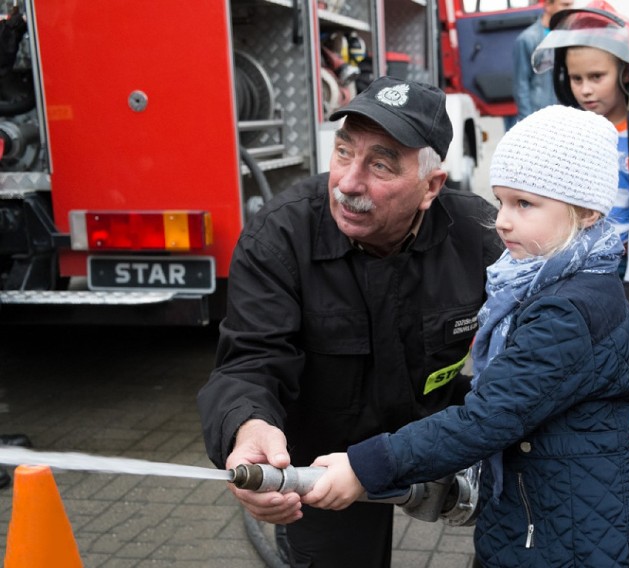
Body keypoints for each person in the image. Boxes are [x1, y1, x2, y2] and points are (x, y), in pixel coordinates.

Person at [304, 104, 629, 568]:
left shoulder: (568, 311)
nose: (503, 221)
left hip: (574, 540)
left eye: (525, 204)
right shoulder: (558, 282)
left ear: (587, 211)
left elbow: (488, 418)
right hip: (545, 517)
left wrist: (366, 466)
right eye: (501, 201)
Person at [196, 76, 504, 567]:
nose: (348, 182)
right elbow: (250, 359)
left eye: (380, 164)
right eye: (343, 153)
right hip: (323, 455)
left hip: (439, 434)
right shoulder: (281, 236)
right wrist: (246, 426)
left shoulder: (478, 237)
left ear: (431, 186)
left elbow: (544, 347)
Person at [531, 0, 629, 334]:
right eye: (576, 78)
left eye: (596, 76)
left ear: (626, 71)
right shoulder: (556, 135)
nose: (585, 89)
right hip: (564, 267)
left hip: (620, 266)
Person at [511, 0, 574, 123]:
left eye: (571, 5)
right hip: (539, 113)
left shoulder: (570, 36)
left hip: (566, 115)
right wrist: (527, 120)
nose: (569, 9)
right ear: (548, 5)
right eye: (565, 5)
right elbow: (521, 84)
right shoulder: (527, 39)